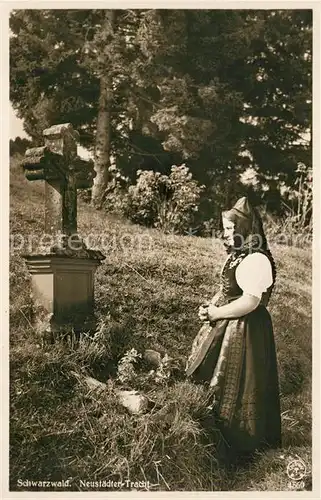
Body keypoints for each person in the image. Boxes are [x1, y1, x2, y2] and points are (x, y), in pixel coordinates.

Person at [185, 196, 282, 463]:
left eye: (230, 229)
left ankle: (242, 449)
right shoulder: (237, 257)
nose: (226, 234)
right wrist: (209, 307)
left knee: (243, 384)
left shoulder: (257, 259)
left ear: (244, 228)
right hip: (228, 322)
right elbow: (226, 289)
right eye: (226, 229)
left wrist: (217, 313)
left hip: (247, 329)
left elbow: (250, 301)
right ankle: (212, 443)